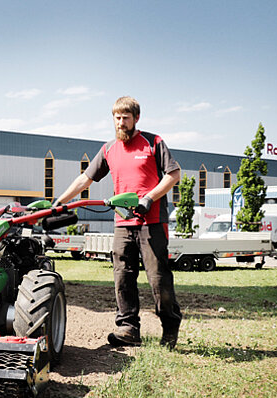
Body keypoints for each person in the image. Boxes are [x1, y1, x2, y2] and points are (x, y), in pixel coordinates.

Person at [53, 96, 182, 349]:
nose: (121, 122)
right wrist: (59, 202)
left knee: (159, 279)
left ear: (136, 118)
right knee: (123, 277)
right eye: (117, 118)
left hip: (152, 222)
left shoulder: (153, 142)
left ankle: (169, 328)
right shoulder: (109, 149)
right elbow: (85, 179)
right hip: (123, 223)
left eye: (126, 118)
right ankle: (128, 328)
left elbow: (174, 174)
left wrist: (149, 198)